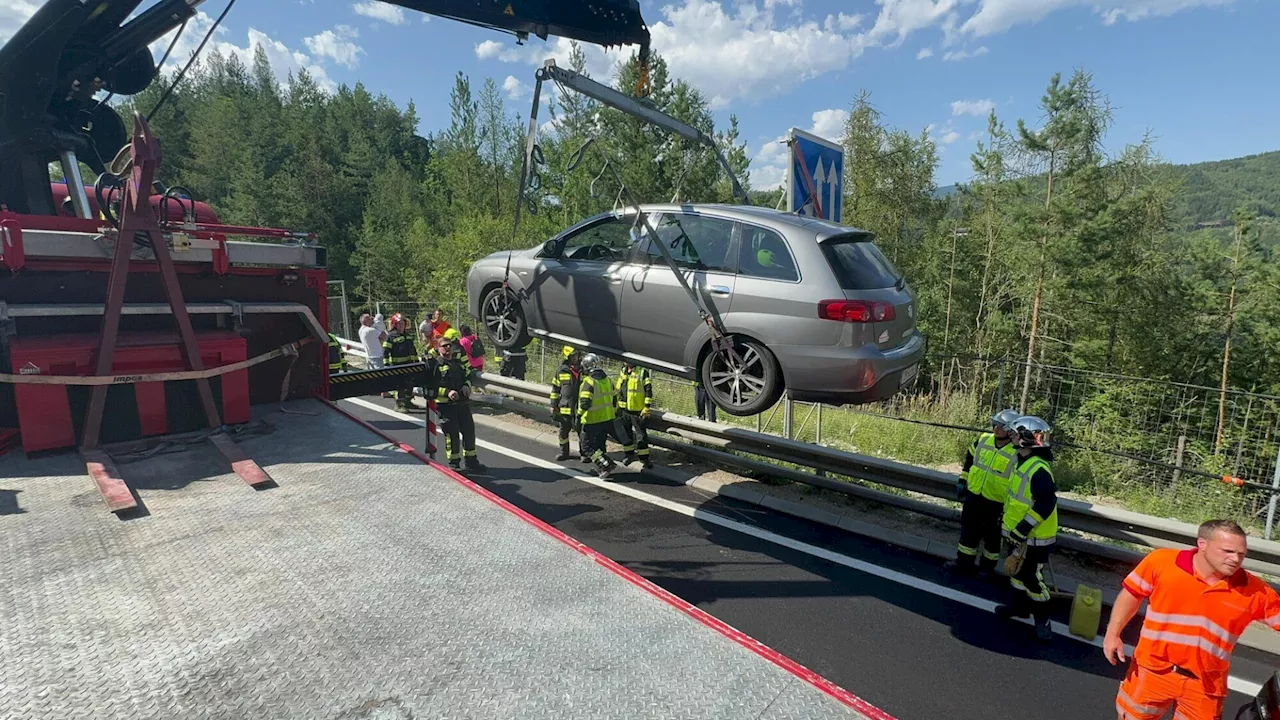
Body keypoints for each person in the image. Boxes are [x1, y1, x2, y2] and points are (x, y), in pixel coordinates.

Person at [1105, 520, 1280, 720]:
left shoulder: (1256, 592)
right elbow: (1132, 594)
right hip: (1152, 671)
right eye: (1228, 551)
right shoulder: (1162, 562)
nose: (1235, 559)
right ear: (1202, 544)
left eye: (1241, 554)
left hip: (1205, 685)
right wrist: (1113, 634)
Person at [993, 415, 1058, 642]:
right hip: (1018, 535)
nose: (1011, 436)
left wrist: (1022, 528)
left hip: (1035, 538)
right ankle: (1018, 609)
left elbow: (1045, 504)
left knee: (1031, 578)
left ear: (1027, 439)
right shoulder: (1022, 461)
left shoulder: (1038, 469)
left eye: (1015, 433)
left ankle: (1043, 621)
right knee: (1017, 574)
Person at [945, 409, 1021, 578]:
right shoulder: (983, 439)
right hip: (974, 495)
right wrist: (963, 480)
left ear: (1010, 429)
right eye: (994, 424)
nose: (996, 428)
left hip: (997, 502)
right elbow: (969, 459)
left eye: (1000, 426)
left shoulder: (1017, 451)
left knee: (992, 539)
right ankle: (963, 564)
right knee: (968, 532)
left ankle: (986, 569)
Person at [577, 353, 635, 478]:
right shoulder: (608, 380)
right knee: (600, 444)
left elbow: (585, 404)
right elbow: (615, 397)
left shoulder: (589, 382)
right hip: (607, 419)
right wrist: (612, 411)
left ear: (587, 366)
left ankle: (606, 464)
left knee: (586, 447)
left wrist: (579, 416)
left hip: (592, 420)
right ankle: (603, 468)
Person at [435, 334, 484, 472]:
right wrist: (447, 392)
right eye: (444, 346)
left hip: (462, 404)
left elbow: (468, 375)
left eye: (449, 345)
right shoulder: (435, 366)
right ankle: (454, 464)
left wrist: (467, 385)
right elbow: (431, 387)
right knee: (452, 436)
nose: (448, 348)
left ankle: (471, 461)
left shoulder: (458, 363)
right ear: (438, 348)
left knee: (469, 432)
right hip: (446, 407)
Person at [615, 360, 652, 469]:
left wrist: (646, 407)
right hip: (623, 410)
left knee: (641, 435)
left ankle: (644, 459)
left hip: (637, 411)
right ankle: (629, 455)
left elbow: (648, 390)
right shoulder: (623, 371)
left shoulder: (642, 372)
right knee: (626, 434)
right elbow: (618, 389)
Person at [549, 346, 583, 461]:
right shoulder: (561, 370)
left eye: (577, 355)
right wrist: (553, 405)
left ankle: (584, 454)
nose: (576, 358)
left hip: (580, 409)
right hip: (565, 408)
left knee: (582, 433)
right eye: (574, 356)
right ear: (568, 357)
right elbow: (555, 389)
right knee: (563, 433)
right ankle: (564, 453)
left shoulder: (584, 370)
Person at [381, 314, 419, 411]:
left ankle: (408, 402)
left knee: (410, 384)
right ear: (394, 325)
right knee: (400, 385)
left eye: (402, 323)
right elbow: (385, 352)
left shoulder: (408, 336)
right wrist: (387, 365)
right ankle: (399, 405)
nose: (401, 325)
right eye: (399, 324)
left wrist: (417, 362)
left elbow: (413, 351)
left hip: (410, 365)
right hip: (397, 366)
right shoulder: (390, 336)